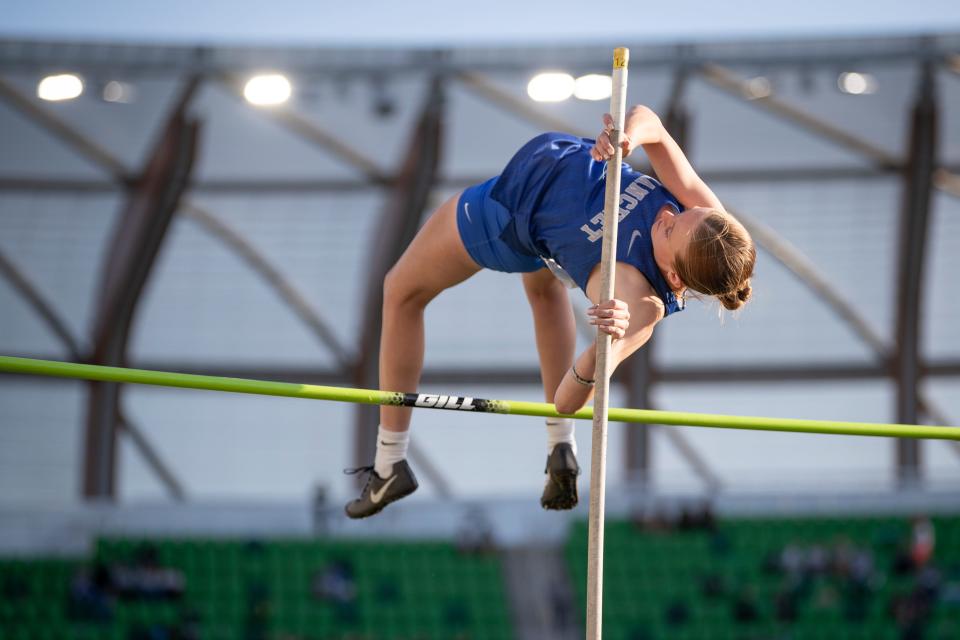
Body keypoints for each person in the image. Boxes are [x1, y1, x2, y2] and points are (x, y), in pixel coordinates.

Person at [345, 105, 756, 518]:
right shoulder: (708, 227)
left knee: (400, 291)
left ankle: (389, 462)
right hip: (559, 196)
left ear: (674, 275)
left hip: (507, 214)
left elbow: (568, 399)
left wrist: (599, 351)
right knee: (544, 288)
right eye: (681, 212)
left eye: (669, 229)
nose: (669, 213)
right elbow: (654, 125)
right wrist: (628, 136)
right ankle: (561, 449)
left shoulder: (638, 301)